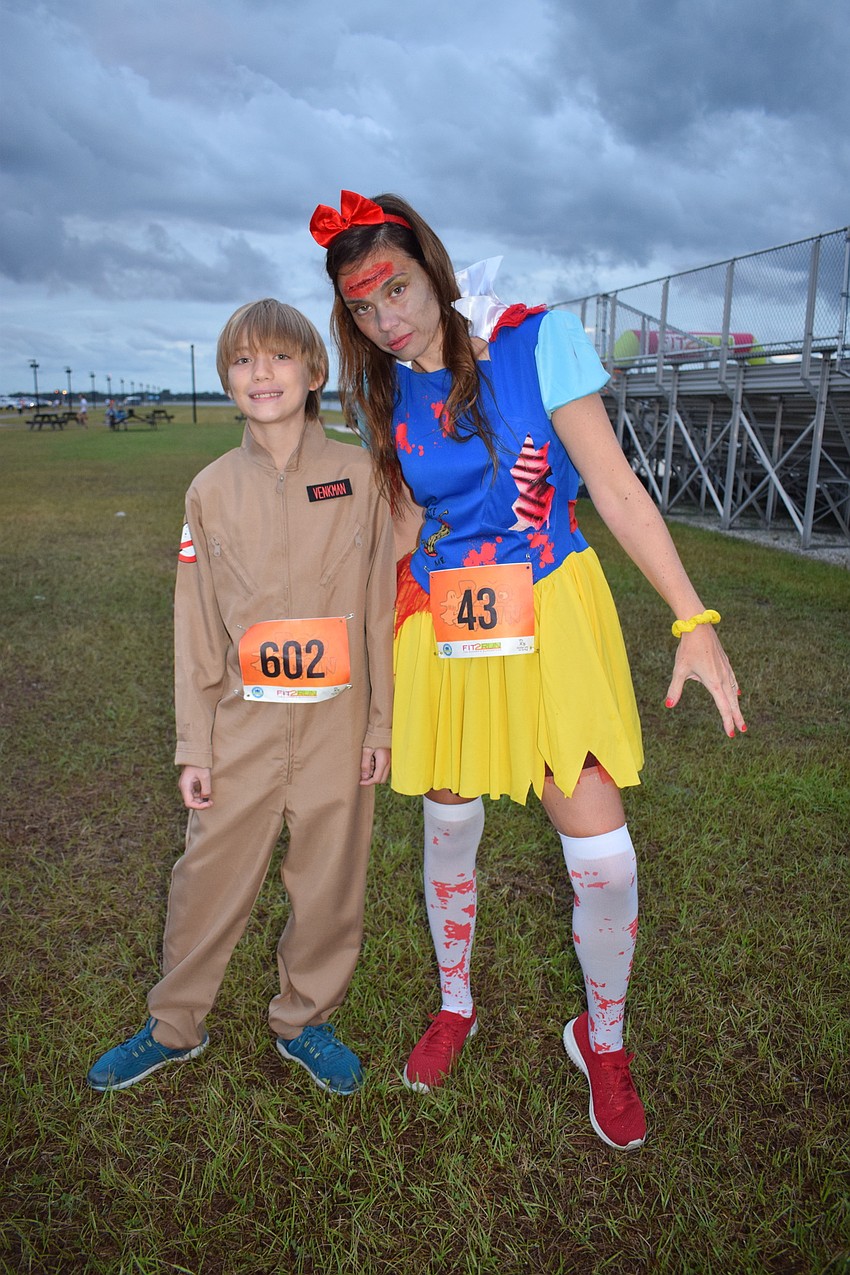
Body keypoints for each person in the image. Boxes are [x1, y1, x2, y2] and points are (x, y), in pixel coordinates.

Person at [309, 191, 746, 1150]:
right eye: (364, 308)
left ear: (434, 266)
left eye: (398, 289)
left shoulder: (535, 339)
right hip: (444, 622)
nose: (388, 318)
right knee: (449, 820)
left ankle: (605, 1038)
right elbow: (406, 521)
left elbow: (619, 487)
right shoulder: (384, 391)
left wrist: (693, 619)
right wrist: (363, 642)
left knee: (604, 854)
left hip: (549, 607)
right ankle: (455, 1003)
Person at [86, 298, 396, 1096]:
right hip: (243, 729)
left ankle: (307, 1018)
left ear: (315, 371)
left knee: (330, 879)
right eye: (243, 360)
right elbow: (195, 628)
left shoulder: (362, 475)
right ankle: (173, 1023)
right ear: (227, 379)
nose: (261, 372)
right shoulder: (209, 489)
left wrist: (383, 724)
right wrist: (195, 744)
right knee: (208, 874)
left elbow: (385, 606)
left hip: (338, 727)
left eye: (280, 357)